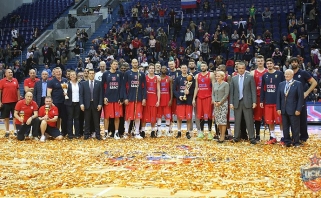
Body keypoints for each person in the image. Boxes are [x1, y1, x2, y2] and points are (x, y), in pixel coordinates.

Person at [289, 57, 317, 142]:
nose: (294, 64)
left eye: (295, 62)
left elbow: (314, 82)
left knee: (302, 118)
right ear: (290, 64)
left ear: (298, 63)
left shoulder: (303, 73)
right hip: (291, 99)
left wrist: (307, 92)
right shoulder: (289, 73)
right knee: (292, 118)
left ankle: (304, 137)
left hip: (301, 99)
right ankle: (294, 136)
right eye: (292, 62)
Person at [229, 62, 257, 144]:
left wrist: (254, 101)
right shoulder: (234, 78)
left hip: (247, 101)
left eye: (242, 68)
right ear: (237, 69)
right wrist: (231, 103)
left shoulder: (250, 77)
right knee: (237, 121)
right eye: (239, 68)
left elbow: (253, 90)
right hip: (237, 102)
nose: (241, 70)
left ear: (245, 69)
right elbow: (232, 92)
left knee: (249, 120)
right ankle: (236, 137)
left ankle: (252, 137)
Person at [276, 69, 304, 147]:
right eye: (286, 74)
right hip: (283, 109)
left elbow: (300, 98)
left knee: (295, 127)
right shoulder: (281, 84)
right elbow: (278, 97)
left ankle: (296, 142)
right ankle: (287, 141)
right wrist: (278, 108)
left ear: (292, 75)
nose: (287, 75)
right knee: (285, 127)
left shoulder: (298, 84)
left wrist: (298, 109)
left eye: (289, 74)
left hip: (294, 109)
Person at [260, 58, 284, 144]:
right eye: (268, 64)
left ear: (273, 64)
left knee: (280, 120)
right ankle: (272, 137)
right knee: (269, 120)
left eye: (270, 63)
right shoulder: (264, 75)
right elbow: (263, 89)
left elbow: (283, 86)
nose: (269, 65)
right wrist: (261, 100)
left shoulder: (280, 74)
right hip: (268, 101)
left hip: (278, 101)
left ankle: (282, 137)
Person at [122, 59, 147, 139]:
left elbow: (144, 87)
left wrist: (144, 98)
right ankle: (126, 132)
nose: (135, 64)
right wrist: (125, 98)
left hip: (139, 99)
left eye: (136, 62)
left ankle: (136, 133)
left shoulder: (142, 74)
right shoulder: (127, 73)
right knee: (128, 116)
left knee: (137, 116)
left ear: (138, 63)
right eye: (133, 62)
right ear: (131, 63)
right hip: (129, 98)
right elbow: (123, 86)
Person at [192, 62, 215, 139]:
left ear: (207, 66)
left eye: (204, 66)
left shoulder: (211, 74)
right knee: (200, 115)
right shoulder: (197, 75)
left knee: (209, 115)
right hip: (199, 97)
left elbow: (214, 87)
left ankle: (209, 132)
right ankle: (201, 132)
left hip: (208, 97)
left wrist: (213, 98)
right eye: (201, 66)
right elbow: (196, 88)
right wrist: (193, 99)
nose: (202, 67)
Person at [102, 60, 123, 140]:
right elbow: (102, 87)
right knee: (107, 117)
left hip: (117, 99)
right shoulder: (106, 74)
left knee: (117, 117)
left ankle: (116, 133)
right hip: (108, 99)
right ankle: (106, 132)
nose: (115, 65)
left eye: (116, 64)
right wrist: (104, 97)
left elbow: (122, 87)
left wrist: (121, 98)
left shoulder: (119, 74)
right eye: (114, 64)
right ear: (111, 65)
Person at [80, 69, 103, 140]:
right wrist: (81, 104)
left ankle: (98, 135)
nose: (91, 74)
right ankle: (86, 135)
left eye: (93, 73)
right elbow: (81, 95)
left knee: (96, 121)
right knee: (87, 120)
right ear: (88, 74)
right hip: (87, 104)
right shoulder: (84, 83)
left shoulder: (99, 83)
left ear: (94, 74)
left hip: (96, 104)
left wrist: (100, 104)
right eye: (90, 73)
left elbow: (101, 95)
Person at [173, 64, 195, 139]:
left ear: (187, 69)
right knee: (179, 117)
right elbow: (174, 90)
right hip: (180, 100)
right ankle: (179, 132)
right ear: (181, 69)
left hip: (188, 100)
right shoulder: (178, 78)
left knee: (188, 118)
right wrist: (179, 96)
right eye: (183, 68)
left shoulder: (191, 78)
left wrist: (189, 92)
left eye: (185, 68)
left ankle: (188, 132)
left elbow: (194, 89)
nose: (184, 69)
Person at [250, 55, 268, 141]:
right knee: (257, 117)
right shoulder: (253, 72)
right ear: (256, 62)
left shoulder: (268, 71)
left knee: (267, 117)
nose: (260, 62)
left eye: (261, 61)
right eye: (258, 61)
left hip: (266, 97)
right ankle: (257, 134)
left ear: (264, 61)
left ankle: (269, 135)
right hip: (257, 97)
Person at [47, 67, 68, 136]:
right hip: (55, 102)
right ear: (54, 73)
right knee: (56, 118)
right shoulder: (51, 81)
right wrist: (50, 102)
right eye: (57, 72)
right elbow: (48, 93)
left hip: (65, 102)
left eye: (59, 71)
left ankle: (64, 132)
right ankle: (56, 132)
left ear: (61, 72)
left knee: (64, 117)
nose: (58, 73)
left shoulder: (65, 80)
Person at [141, 64, 160, 138]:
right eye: (150, 68)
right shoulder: (145, 78)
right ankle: (143, 131)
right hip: (147, 98)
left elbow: (158, 90)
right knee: (144, 116)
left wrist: (158, 100)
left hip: (153, 98)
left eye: (153, 68)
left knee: (153, 115)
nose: (152, 69)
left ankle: (153, 131)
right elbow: (142, 89)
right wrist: (143, 98)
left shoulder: (156, 78)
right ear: (148, 69)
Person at [0, 69, 20, 137]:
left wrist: (19, 100)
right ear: (5, 74)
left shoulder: (15, 80)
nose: (11, 73)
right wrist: (0, 101)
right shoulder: (2, 81)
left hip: (15, 102)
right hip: (5, 102)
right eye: (9, 72)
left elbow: (18, 90)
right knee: (6, 117)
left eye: (11, 72)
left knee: (15, 117)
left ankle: (15, 130)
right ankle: (7, 131)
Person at [212, 71, 229, 143]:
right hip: (216, 104)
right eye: (216, 76)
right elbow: (213, 94)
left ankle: (222, 136)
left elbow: (226, 94)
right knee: (218, 120)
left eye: (218, 76)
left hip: (223, 104)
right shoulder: (215, 84)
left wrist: (220, 102)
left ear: (222, 77)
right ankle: (219, 134)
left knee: (223, 120)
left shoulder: (226, 84)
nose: (217, 77)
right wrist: (214, 101)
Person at [156, 65, 173, 136]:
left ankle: (167, 131)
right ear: (160, 70)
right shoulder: (157, 78)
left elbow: (171, 90)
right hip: (159, 98)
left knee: (168, 116)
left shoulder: (169, 78)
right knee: (159, 116)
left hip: (167, 98)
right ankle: (159, 131)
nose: (163, 70)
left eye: (165, 69)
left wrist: (171, 99)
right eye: (162, 68)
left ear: (167, 70)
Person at [64, 71, 81, 139]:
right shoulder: (67, 84)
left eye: (74, 74)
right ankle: (70, 134)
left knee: (77, 119)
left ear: (76, 75)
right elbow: (65, 93)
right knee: (70, 119)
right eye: (71, 75)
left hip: (78, 103)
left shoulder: (79, 84)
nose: (73, 76)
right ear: (69, 76)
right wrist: (65, 94)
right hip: (69, 103)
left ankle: (77, 133)